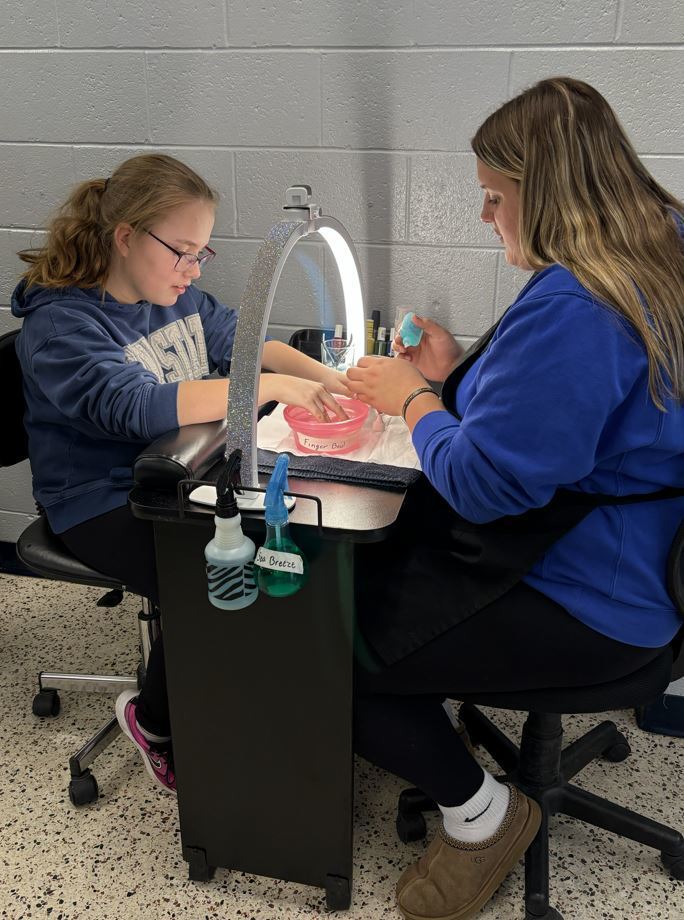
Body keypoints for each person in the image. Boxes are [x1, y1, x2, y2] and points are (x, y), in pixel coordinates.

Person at [346, 77, 684, 920]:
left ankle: (484, 818)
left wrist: (410, 398)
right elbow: (582, 417)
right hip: (652, 571)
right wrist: (457, 377)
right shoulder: (662, 246)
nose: (486, 215)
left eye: (494, 197)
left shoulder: (582, 301)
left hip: (587, 596)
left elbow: (485, 487)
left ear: (549, 190)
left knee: (322, 649)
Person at [12, 153, 350, 794]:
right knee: (221, 577)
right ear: (126, 236)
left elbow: (243, 342)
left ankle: (240, 690)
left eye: (202, 255)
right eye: (182, 252)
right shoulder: (60, 326)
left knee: (281, 549)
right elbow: (136, 407)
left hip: (179, 474)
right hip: (100, 499)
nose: (193, 270)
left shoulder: (175, 295)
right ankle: (154, 721)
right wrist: (266, 387)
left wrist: (332, 379)